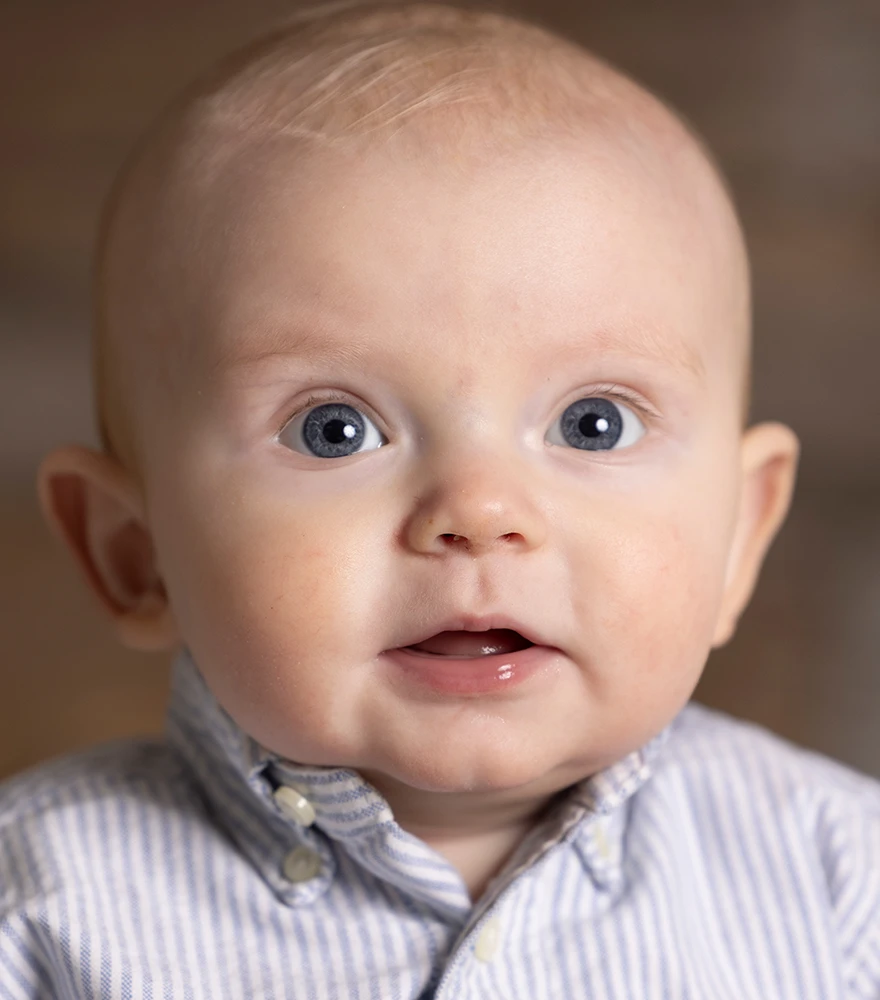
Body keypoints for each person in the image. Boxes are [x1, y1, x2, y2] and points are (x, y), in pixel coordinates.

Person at [2, 3, 878, 997]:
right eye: (334, 429)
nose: (478, 511)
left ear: (739, 534)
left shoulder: (839, 879)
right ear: (134, 551)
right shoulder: (41, 912)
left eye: (593, 422)